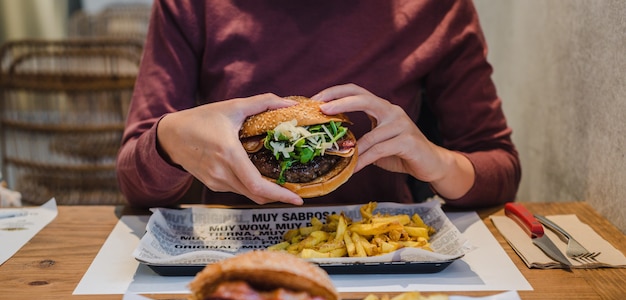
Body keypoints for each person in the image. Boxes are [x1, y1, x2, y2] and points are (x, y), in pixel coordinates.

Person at [117, 0, 521, 209]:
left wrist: (435, 161)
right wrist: (169, 139)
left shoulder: (433, 8)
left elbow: (499, 166)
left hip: (385, 259)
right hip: (235, 255)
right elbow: (135, 181)